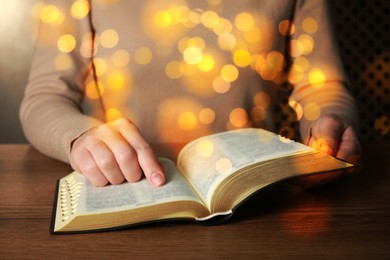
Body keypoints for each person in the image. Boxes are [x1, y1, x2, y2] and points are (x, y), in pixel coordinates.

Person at [20, 0, 361, 188]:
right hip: (127, 192)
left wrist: (331, 123)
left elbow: (322, 86)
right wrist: (81, 137)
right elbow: (45, 97)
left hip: (255, 196)